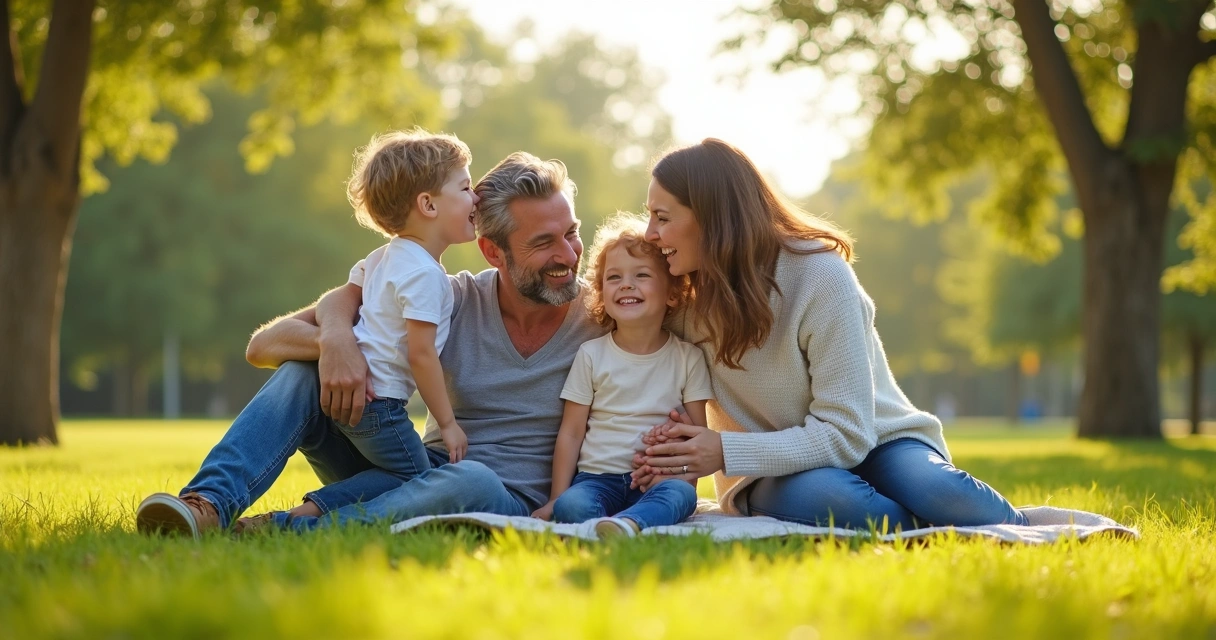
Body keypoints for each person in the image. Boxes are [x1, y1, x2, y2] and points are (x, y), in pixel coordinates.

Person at [135, 152, 604, 538]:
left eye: (572, 233)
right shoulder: (447, 296)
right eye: (544, 243)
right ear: (493, 252)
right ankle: (207, 506)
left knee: (474, 476)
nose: (567, 254)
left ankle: (290, 530)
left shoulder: (605, 315)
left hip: (498, 498)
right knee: (302, 370)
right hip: (408, 472)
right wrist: (336, 340)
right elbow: (264, 346)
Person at [632, 138, 1028, 531]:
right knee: (850, 506)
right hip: (763, 472)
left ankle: (1018, 526)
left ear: (713, 216)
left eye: (662, 218)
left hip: (879, 442)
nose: (650, 232)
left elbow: (847, 433)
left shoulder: (819, 275)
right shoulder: (678, 302)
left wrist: (722, 449)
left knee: (941, 491)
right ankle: (925, 525)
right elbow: (606, 321)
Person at [530, 215, 711, 538]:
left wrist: (681, 477)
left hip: (658, 479)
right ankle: (616, 523)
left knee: (682, 497)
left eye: (641, 275)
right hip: (597, 479)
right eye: (614, 278)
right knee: (571, 506)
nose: (626, 284)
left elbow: (698, 435)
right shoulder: (591, 355)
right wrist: (556, 497)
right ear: (601, 295)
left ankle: (627, 524)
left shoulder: (688, 359)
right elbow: (571, 433)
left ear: (672, 294)